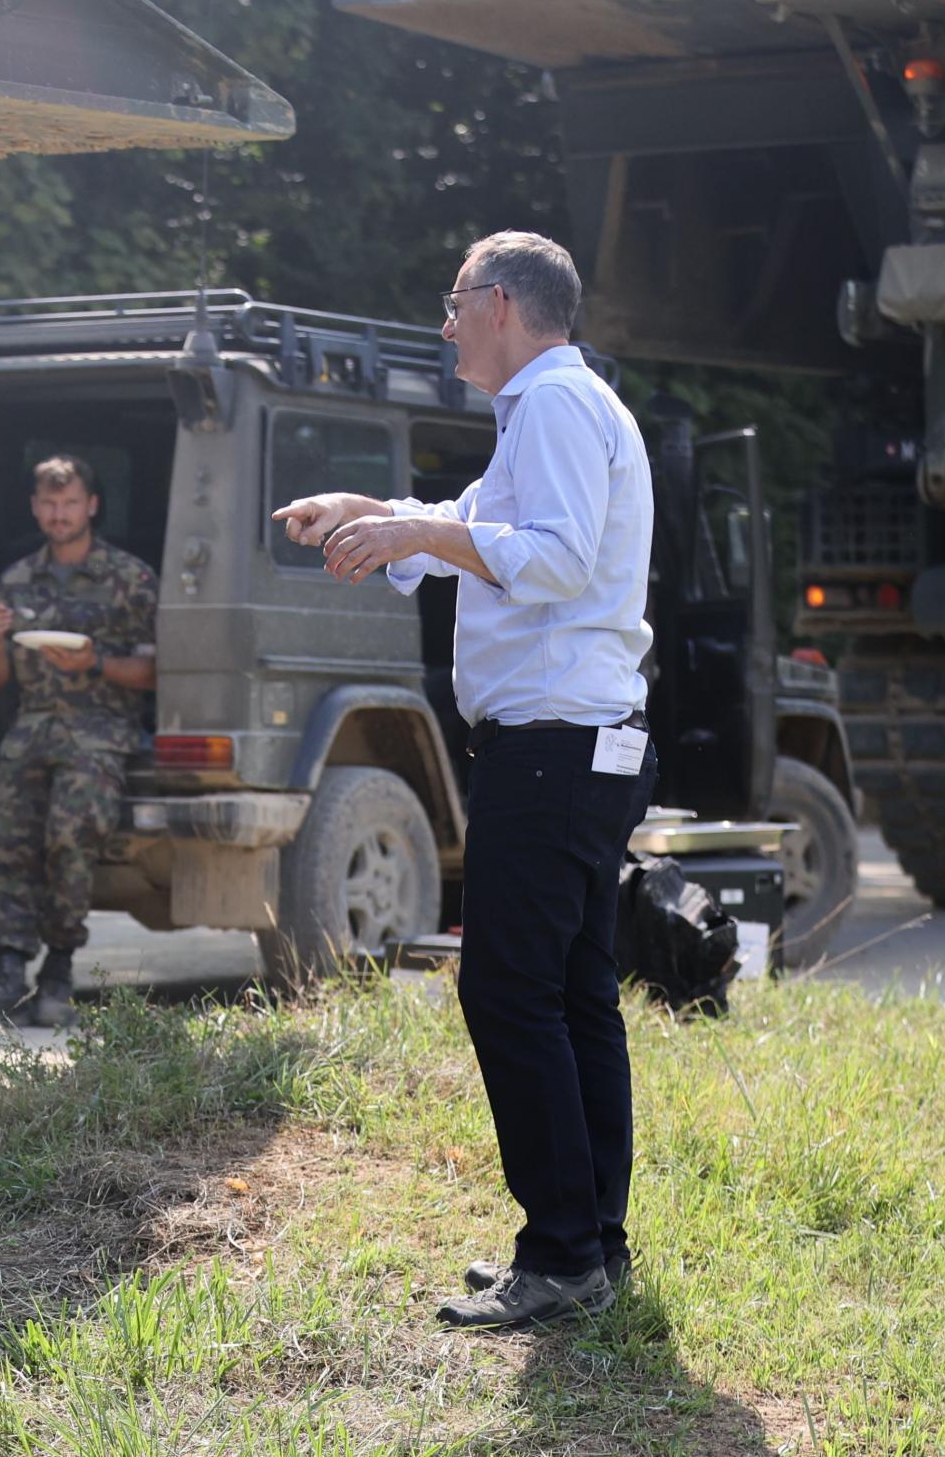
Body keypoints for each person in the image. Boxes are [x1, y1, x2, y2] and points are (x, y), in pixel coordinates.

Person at [273, 230, 657, 1331]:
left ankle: (563, 1254)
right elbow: (478, 532)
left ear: (498, 303)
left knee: (507, 992)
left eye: (452, 306)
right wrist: (367, 513)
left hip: (552, 751)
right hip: (574, 746)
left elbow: (556, 556)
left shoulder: (554, 407)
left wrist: (416, 528)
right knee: (574, 997)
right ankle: (589, 1243)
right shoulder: (547, 410)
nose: (444, 328)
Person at [0, 455, 158, 1031]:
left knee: (71, 838)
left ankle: (59, 970)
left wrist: (95, 662)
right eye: (48, 503)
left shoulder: (130, 577)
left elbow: (155, 672)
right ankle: (5, 974)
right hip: (32, 727)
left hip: (99, 731)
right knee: (8, 843)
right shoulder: (18, 578)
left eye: (69, 503)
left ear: (91, 506)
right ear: (34, 507)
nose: (58, 514)